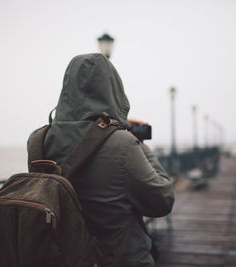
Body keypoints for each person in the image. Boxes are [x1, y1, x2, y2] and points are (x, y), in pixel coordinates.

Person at [38, 53, 174, 266]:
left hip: (63, 258)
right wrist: (138, 142)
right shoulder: (122, 143)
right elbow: (161, 201)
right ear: (114, 89)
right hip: (117, 259)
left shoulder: (39, 140)